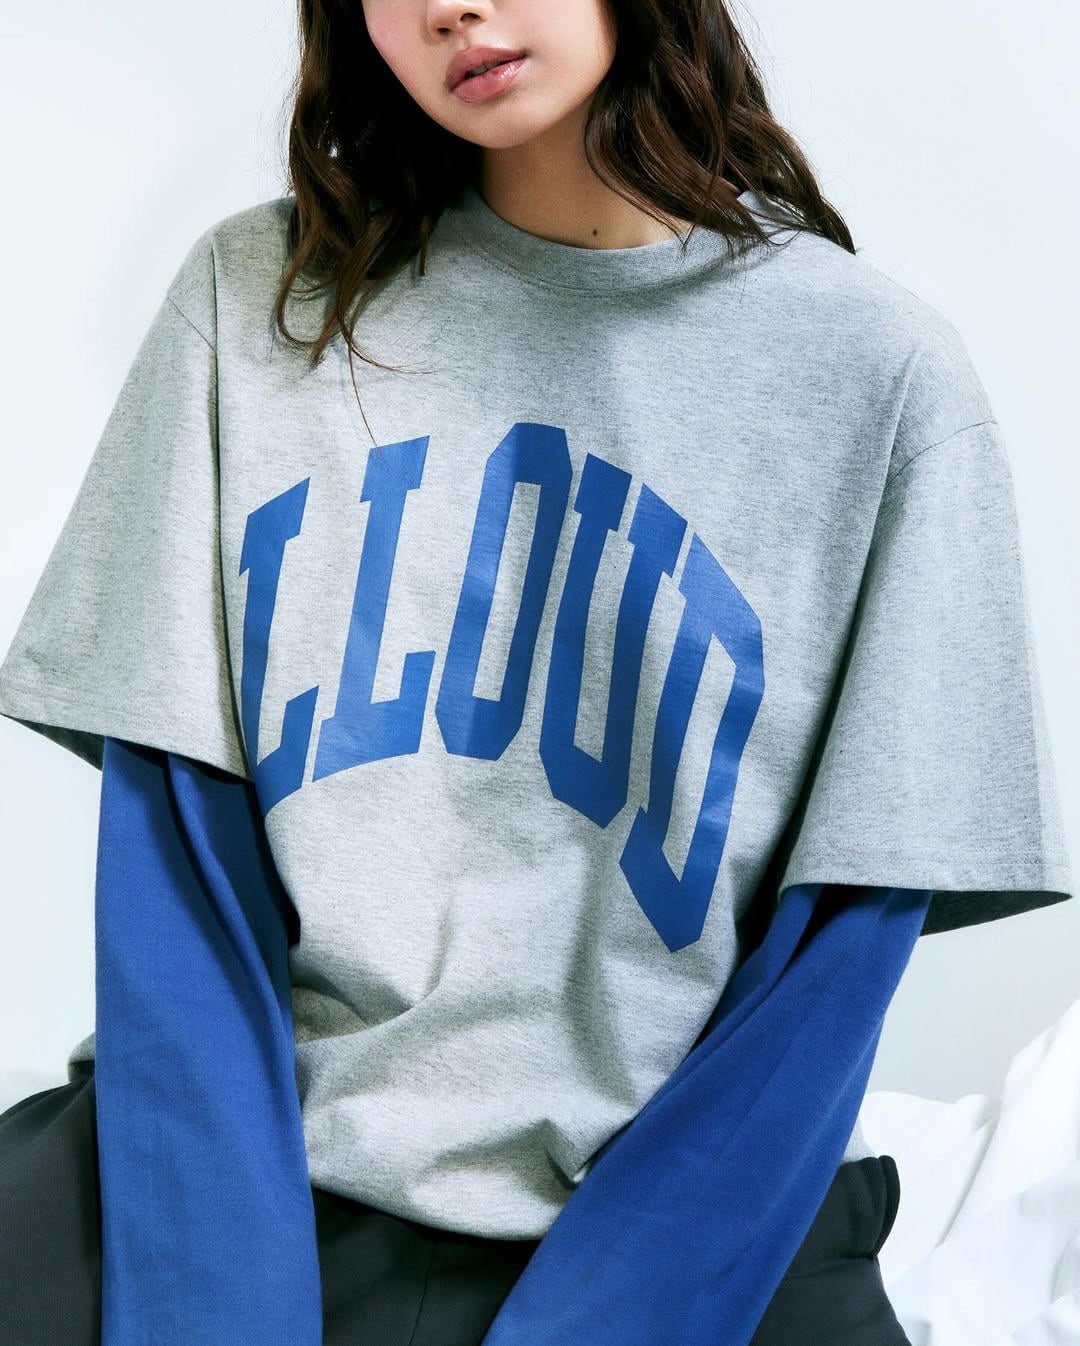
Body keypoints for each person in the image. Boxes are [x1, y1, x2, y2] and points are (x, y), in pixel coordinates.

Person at [0, 1, 1073, 1343]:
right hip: (251, 1170)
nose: (451, 6)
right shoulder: (258, 299)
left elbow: (839, 954)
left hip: (688, 1216)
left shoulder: (881, 380)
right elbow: (177, 870)